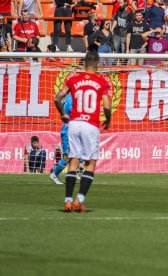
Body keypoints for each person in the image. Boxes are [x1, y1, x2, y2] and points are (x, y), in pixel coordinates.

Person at [54, 51, 112, 213]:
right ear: (98, 64)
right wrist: (108, 119)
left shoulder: (73, 79)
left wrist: (63, 114)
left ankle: (67, 201)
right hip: (90, 124)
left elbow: (57, 98)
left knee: (73, 160)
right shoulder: (101, 81)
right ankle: (79, 200)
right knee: (89, 163)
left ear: (84, 64)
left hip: (74, 124)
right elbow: (107, 106)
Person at [50, 93, 74, 185]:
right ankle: (54, 174)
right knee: (66, 157)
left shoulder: (67, 99)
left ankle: (72, 172)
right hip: (68, 132)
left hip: (71, 131)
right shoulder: (71, 100)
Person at [111, 0, 133, 65]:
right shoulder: (118, 10)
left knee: (124, 51)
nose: (120, 4)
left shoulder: (130, 12)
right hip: (117, 33)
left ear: (125, 2)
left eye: (121, 3)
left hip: (125, 34)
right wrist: (112, 29)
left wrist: (128, 35)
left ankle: (124, 66)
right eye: (119, 3)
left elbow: (131, 24)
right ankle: (114, 66)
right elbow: (115, 20)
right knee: (116, 49)